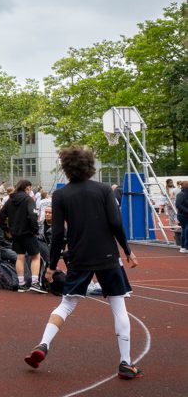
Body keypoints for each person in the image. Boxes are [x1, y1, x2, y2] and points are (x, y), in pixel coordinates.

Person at [24, 146, 141, 379]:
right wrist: (127, 250)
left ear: (66, 167)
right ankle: (126, 362)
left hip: (78, 256)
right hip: (107, 255)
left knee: (66, 305)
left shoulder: (60, 195)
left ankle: (43, 344)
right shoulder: (104, 189)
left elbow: (57, 234)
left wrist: (52, 265)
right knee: (119, 306)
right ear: (90, 165)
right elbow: (116, 223)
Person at [0, 180, 46, 294]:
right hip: (28, 232)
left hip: (15, 233)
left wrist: (6, 229)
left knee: (20, 257)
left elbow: (1, 214)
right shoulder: (28, 199)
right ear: (28, 188)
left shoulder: (10, 199)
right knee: (36, 256)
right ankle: (35, 282)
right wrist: (35, 229)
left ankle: (21, 284)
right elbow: (32, 215)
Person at [176, 180, 188, 254]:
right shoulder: (181, 194)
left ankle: (183, 247)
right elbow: (178, 205)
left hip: (185, 214)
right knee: (186, 230)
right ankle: (184, 247)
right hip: (182, 215)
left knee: (185, 231)